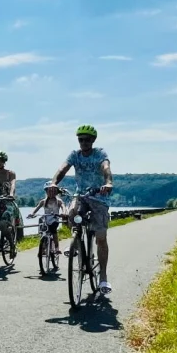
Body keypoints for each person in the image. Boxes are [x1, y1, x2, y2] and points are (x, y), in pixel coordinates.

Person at [48, 125, 113, 294]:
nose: (84, 142)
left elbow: (106, 168)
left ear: (93, 140)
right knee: (71, 213)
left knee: (100, 238)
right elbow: (63, 168)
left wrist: (108, 183)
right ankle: (76, 242)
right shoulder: (75, 155)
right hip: (81, 195)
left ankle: (103, 278)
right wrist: (54, 182)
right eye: (81, 139)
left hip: (99, 196)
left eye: (87, 139)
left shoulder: (100, 154)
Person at [28, 181, 66, 255]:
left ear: (56, 192)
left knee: (53, 230)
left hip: (55, 219)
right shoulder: (43, 201)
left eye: (53, 191)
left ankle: (57, 248)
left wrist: (64, 212)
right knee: (43, 232)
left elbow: (63, 207)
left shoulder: (58, 201)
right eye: (49, 191)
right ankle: (43, 248)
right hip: (46, 219)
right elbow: (36, 208)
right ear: (46, 192)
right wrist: (32, 214)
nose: (51, 193)